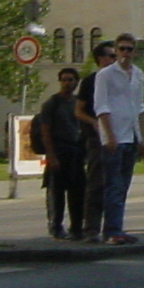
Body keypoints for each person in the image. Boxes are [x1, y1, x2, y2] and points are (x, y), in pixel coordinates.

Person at [93, 33, 144, 245]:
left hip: (131, 137)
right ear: (115, 51)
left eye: (129, 49)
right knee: (113, 185)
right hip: (114, 137)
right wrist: (109, 136)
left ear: (135, 52)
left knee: (123, 186)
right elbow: (101, 107)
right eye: (122, 49)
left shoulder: (138, 75)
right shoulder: (105, 75)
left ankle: (116, 228)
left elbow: (139, 108)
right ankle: (112, 230)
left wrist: (141, 139)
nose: (125, 53)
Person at [31, 67, 85, 240]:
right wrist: (51, 155)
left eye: (70, 80)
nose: (67, 83)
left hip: (75, 152)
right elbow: (45, 131)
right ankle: (56, 225)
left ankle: (76, 227)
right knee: (56, 193)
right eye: (64, 80)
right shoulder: (51, 104)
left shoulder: (79, 102)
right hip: (58, 151)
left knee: (77, 192)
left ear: (77, 82)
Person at [75, 42, 117, 241]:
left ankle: (113, 227)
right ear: (100, 58)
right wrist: (95, 122)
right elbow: (79, 110)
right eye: (110, 55)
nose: (114, 59)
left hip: (118, 136)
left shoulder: (119, 78)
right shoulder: (91, 81)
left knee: (116, 183)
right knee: (96, 183)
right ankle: (91, 228)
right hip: (96, 139)